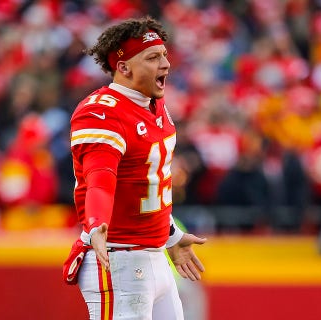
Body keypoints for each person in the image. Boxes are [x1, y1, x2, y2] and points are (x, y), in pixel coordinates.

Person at [62, 16, 207, 319]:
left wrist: (169, 236)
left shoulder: (154, 106)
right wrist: (97, 222)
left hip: (154, 257)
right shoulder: (101, 112)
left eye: (164, 54)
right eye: (153, 57)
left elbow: (142, 183)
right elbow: (100, 179)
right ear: (123, 66)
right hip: (117, 259)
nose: (165, 64)